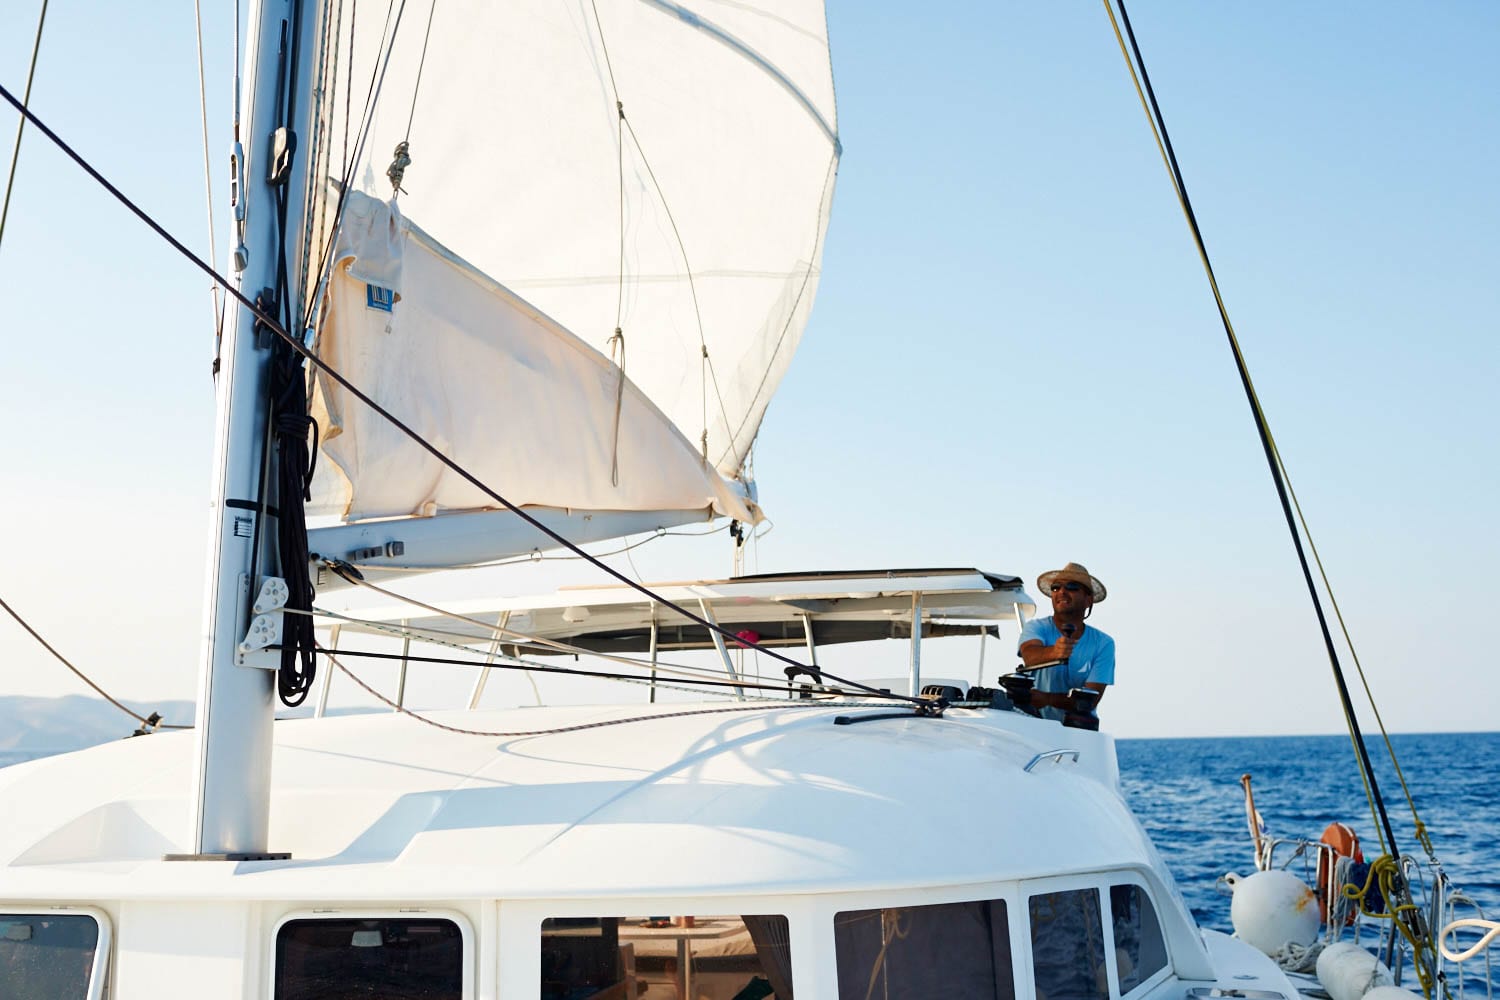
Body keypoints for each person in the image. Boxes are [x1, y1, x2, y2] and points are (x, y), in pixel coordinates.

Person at [1016, 562, 1114, 723]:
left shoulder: (1104, 643)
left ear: (1088, 599)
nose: (1061, 592)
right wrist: (1054, 652)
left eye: (1072, 587)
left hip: (1077, 732)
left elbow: (1090, 700)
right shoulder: (1035, 627)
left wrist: (1047, 699)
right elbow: (1029, 656)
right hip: (1032, 725)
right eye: (1056, 587)